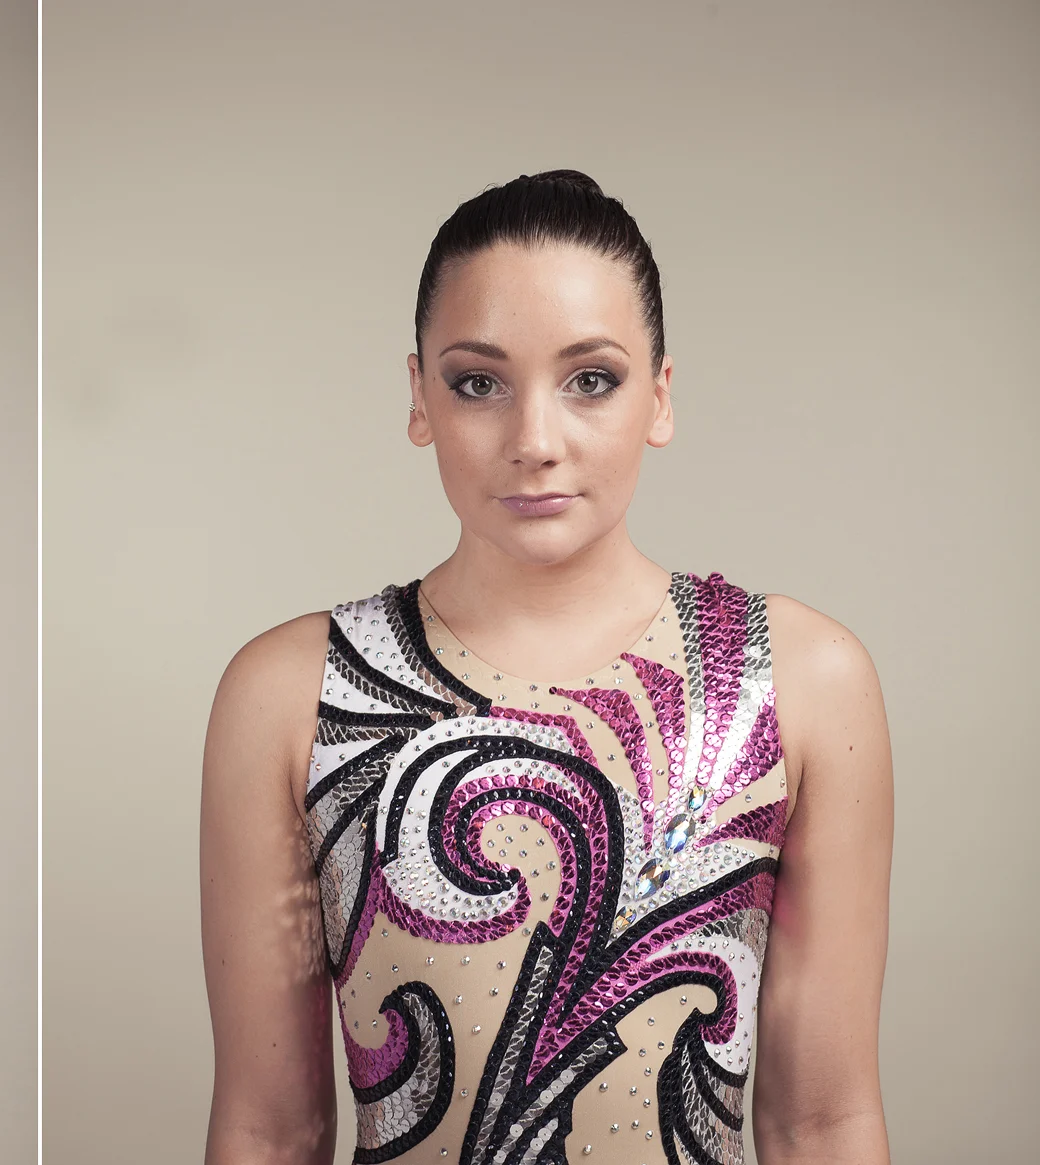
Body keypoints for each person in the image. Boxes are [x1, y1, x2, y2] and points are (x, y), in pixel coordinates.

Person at [199, 171, 891, 1164]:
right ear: (418, 398)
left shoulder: (796, 680)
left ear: (659, 396)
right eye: (478, 383)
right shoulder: (291, 694)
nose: (533, 441)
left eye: (590, 380)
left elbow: (821, 1121)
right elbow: (270, 1131)